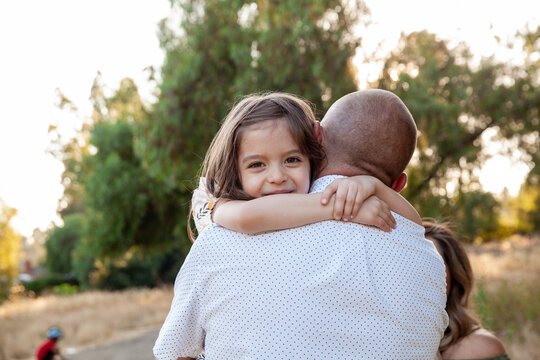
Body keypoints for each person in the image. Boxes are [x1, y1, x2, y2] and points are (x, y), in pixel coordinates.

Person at [154, 90, 448, 359]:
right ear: (399, 184)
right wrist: (367, 191)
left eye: (291, 160)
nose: (277, 177)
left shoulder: (219, 243)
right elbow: (414, 225)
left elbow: (174, 352)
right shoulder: (432, 265)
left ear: (315, 137)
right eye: (257, 164)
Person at [424, 221, 509, 360]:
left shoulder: (479, 348)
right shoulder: (382, 337)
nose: (418, 276)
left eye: (430, 266)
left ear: (454, 279)